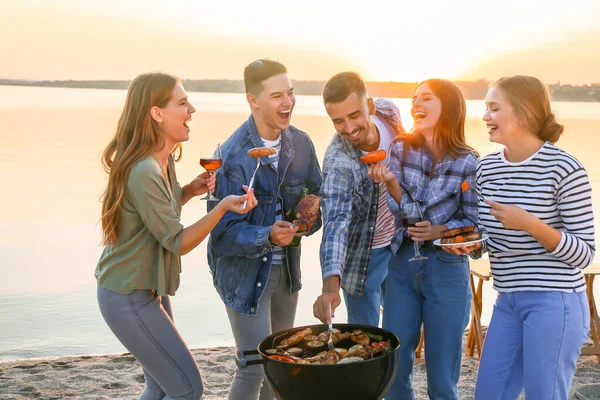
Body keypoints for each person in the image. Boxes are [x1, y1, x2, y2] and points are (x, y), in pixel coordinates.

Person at [95, 72, 257, 400]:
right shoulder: (144, 170)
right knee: (187, 389)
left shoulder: (162, 160)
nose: (191, 109)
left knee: (159, 387)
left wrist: (188, 191)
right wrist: (222, 208)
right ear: (157, 113)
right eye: (182, 103)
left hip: (147, 289)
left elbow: (157, 217)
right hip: (127, 294)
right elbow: (176, 242)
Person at [447, 75, 594, 400]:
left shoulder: (565, 169)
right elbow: (487, 238)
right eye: (485, 108)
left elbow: (585, 254)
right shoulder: (486, 169)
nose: (485, 116)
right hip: (508, 301)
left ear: (524, 113)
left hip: (555, 302)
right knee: (489, 395)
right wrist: (471, 244)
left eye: (494, 108)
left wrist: (530, 224)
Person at [207, 59, 322, 400]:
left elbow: (317, 196)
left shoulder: (301, 144)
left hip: (286, 273)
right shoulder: (231, 156)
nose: (287, 103)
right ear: (252, 100)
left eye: (290, 93)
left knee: (279, 364)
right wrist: (267, 236)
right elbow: (223, 234)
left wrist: (308, 221)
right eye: (276, 96)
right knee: (254, 364)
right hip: (242, 275)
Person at [368, 79, 479, 400]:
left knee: (443, 375)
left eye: (427, 98)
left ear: (449, 107)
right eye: (414, 98)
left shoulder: (469, 162)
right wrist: (389, 181)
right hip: (402, 265)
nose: (416, 103)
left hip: (447, 269)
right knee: (395, 368)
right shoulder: (400, 149)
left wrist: (440, 232)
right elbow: (402, 211)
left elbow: (477, 226)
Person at [313, 72, 405, 328]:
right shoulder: (338, 162)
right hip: (364, 256)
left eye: (355, 115)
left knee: (403, 332)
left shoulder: (389, 113)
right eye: (338, 121)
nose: (349, 129)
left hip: (400, 244)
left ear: (371, 107)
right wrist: (330, 287)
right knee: (366, 336)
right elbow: (335, 224)